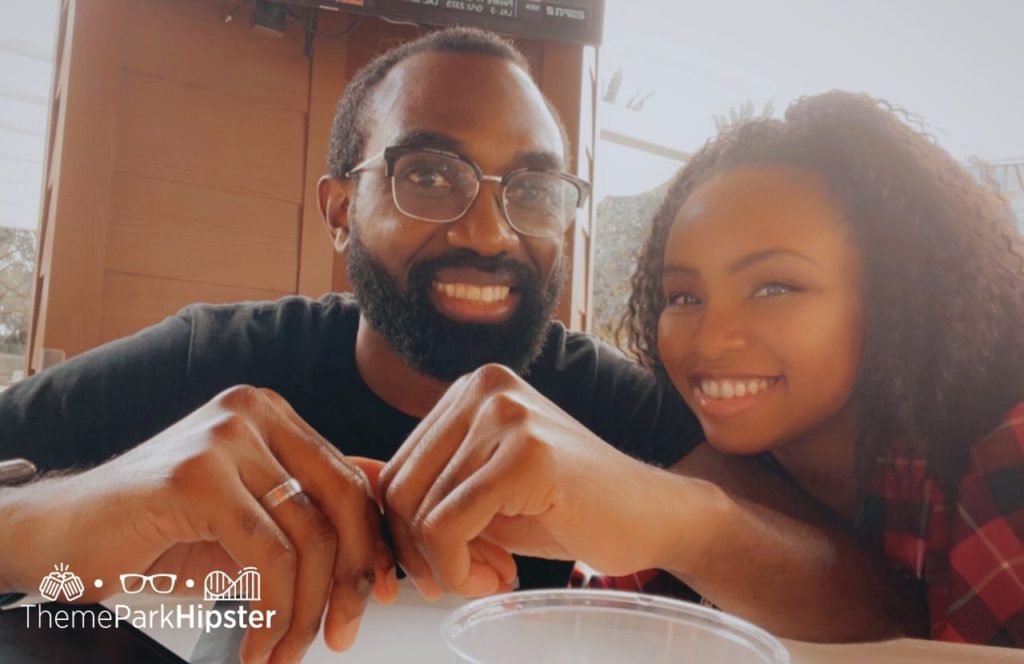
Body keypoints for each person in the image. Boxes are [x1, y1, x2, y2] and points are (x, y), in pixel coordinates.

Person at [0, 30, 919, 664]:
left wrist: (678, 515)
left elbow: (870, 604)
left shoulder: (603, 403)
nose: (491, 230)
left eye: (534, 188)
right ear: (338, 210)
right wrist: (60, 522)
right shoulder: (218, 361)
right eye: (428, 174)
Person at [613, 90, 1024, 647]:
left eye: (775, 287)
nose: (710, 338)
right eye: (683, 297)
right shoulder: (689, 454)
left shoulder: (1005, 455)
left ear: (894, 300)